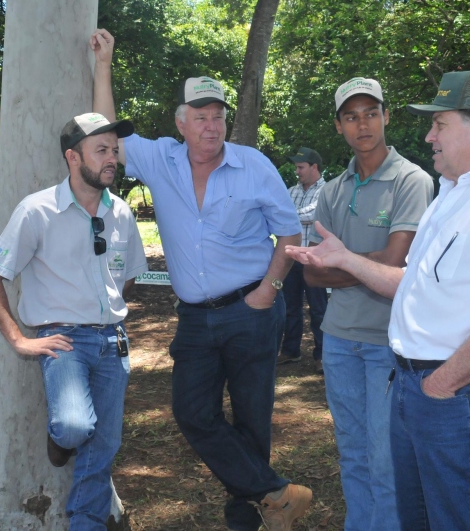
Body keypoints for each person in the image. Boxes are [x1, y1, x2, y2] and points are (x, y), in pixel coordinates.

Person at [287, 70, 470, 530]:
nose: (427, 134)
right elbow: (413, 283)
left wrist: (439, 385)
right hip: (415, 384)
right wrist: (348, 261)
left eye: (440, 123)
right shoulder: (451, 196)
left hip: (458, 392)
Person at [91, 29, 311, 531]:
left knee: (253, 420)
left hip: (252, 309)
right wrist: (104, 64)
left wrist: (268, 291)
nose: (211, 128)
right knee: (192, 413)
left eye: (218, 118)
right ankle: (275, 493)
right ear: (181, 123)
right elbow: (109, 133)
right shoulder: (160, 160)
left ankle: (250, 520)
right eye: (201, 118)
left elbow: (290, 231)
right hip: (194, 318)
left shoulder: (253, 166)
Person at [0, 112, 147, 530]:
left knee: (104, 446)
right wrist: (19, 340)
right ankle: (60, 439)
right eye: (101, 150)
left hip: (114, 342)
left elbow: (127, 276)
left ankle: (85, 523)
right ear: (73, 157)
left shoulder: (121, 212)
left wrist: (106, 315)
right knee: (74, 427)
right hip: (63, 339)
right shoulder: (38, 211)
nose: (112, 158)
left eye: (114, 150)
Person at [302, 78, 433, 530]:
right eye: (352, 116)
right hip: (338, 337)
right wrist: (360, 266)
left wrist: (342, 263)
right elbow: (311, 272)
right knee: (352, 454)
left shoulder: (413, 179)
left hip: (388, 341)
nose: (364, 124)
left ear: (386, 117)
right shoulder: (334, 189)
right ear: (339, 126)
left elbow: (396, 262)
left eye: (371, 113)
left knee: (385, 459)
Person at [277, 147, 328, 372]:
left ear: (314, 167)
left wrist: (288, 217)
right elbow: (280, 214)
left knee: (318, 308)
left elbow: (314, 214)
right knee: (290, 306)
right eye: (296, 167)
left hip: (314, 258)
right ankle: (290, 351)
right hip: (290, 258)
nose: (296, 171)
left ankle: (322, 354)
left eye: (300, 167)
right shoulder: (291, 191)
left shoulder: (327, 191)